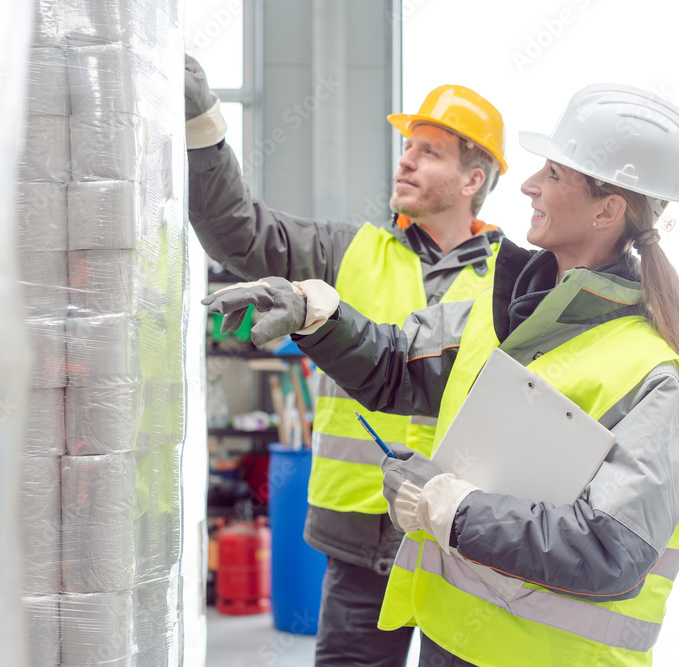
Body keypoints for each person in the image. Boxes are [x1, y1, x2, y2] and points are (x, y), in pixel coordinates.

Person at [204, 84, 679, 666]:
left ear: (607, 210)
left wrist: (453, 508)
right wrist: (315, 315)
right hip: (450, 639)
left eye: (552, 174)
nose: (528, 186)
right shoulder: (499, 316)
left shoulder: (650, 375)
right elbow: (394, 364)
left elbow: (612, 546)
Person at [185, 55, 521, 666]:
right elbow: (236, 231)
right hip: (361, 540)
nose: (406, 159)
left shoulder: (516, 281)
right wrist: (204, 130)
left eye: (429, 151)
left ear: (473, 179)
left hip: (466, 540)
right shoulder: (347, 252)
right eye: (407, 146)